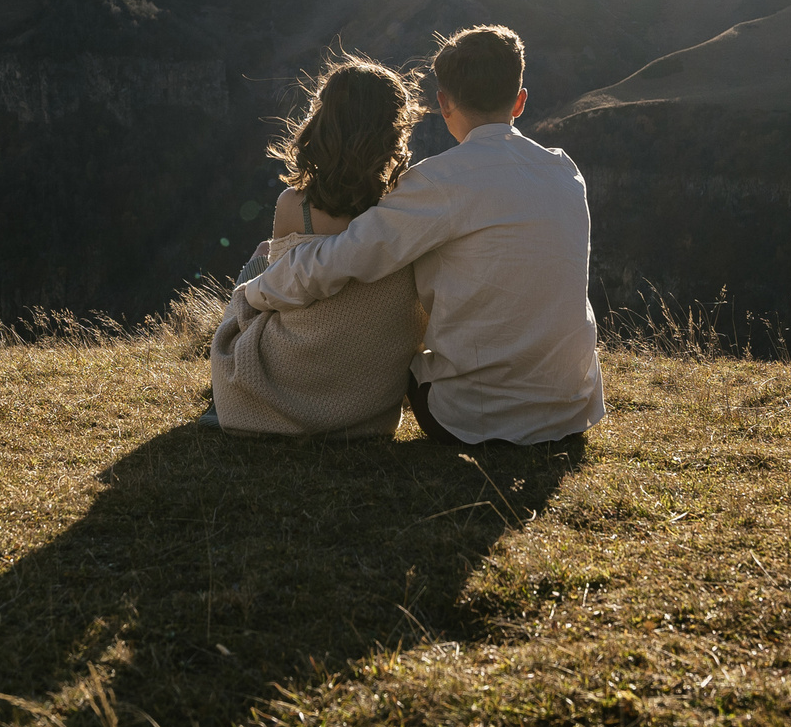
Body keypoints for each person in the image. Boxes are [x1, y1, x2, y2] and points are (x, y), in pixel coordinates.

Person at [236, 24, 604, 448]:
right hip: (574, 409)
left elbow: (340, 259)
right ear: (519, 102)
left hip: (471, 420)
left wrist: (256, 292)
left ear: (444, 104)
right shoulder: (565, 171)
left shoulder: (439, 182)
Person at [207, 56, 428, 438]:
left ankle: (227, 391)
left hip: (287, 387)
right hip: (365, 408)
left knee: (262, 259)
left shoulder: (295, 206)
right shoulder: (410, 207)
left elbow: (280, 294)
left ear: (323, 122)